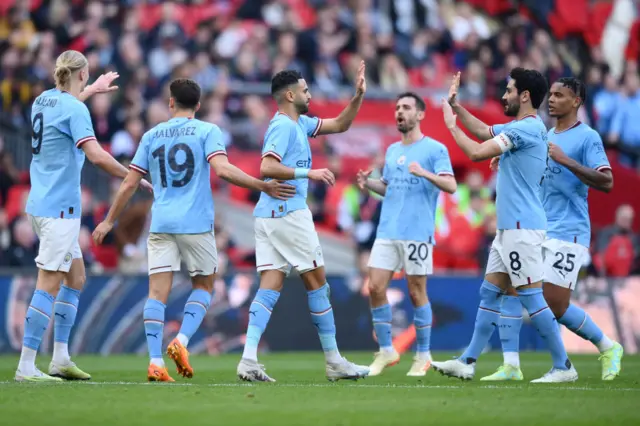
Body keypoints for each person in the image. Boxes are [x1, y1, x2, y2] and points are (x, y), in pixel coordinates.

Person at [92, 78, 295, 382]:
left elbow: (129, 183)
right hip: (196, 224)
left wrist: (109, 220)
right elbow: (224, 171)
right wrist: (260, 185)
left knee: (156, 294)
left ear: (170, 102)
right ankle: (182, 340)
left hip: (160, 224)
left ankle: (155, 361)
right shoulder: (207, 131)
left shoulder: (151, 135)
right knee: (203, 287)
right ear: (198, 106)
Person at [432, 68, 578, 383]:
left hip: (522, 229)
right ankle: (468, 360)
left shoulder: (523, 130)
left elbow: (474, 151)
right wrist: (457, 106)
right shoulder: (525, 127)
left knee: (531, 297)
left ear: (525, 95)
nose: (504, 95)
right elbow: (485, 130)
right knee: (489, 293)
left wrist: (451, 126)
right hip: (509, 228)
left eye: (509, 90)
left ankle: (564, 366)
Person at [15, 50, 151, 382]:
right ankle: (26, 366)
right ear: (81, 74)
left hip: (41, 204)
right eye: (88, 76)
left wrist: (93, 91)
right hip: (59, 209)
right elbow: (97, 156)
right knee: (48, 283)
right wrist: (131, 175)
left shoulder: (43, 100)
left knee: (75, 278)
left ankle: (60, 358)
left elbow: (68, 106)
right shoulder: (74, 110)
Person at [482, 77, 623, 382]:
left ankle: (607, 347)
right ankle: (511, 365)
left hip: (569, 231)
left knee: (555, 305)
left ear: (577, 101)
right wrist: (504, 158)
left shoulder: (588, 137)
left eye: (560, 95)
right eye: (552, 94)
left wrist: (567, 161)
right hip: (539, 227)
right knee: (511, 288)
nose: (552, 99)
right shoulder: (544, 134)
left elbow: (607, 182)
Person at [236, 63, 370, 382]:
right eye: (306, 90)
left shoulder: (302, 123)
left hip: (268, 215)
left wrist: (359, 96)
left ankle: (248, 360)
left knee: (270, 285)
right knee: (317, 284)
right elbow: (267, 166)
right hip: (289, 213)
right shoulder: (283, 126)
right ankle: (335, 361)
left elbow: (340, 124)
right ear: (291, 94)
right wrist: (307, 173)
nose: (310, 94)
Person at [356, 92, 457, 377]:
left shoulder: (435, 150)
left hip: (417, 233)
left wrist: (425, 174)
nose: (400, 112)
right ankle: (387, 350)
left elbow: (451, 186)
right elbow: (390, 187)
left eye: (407, 107)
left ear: (420, 114)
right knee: (375, 288)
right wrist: (369, 183)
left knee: (416, 292)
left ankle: (423, 355)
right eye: (397, 107)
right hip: (388, 230)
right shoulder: (391, 151)